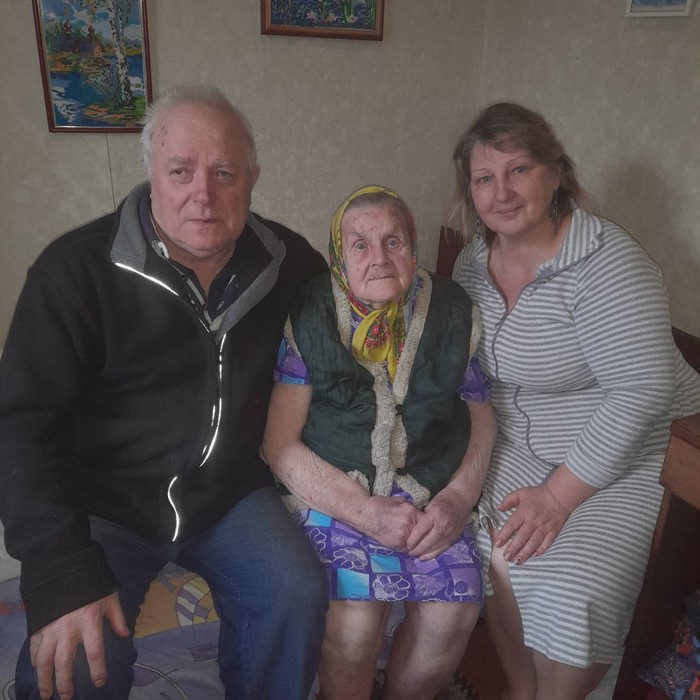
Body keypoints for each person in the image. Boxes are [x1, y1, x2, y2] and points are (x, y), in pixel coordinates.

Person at [0, 85, 329, 700]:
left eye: (224, 172)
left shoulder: (293, 265)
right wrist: (60, 569)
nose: (202, 194)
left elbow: (344, 367)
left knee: (297, 591)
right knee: (73, 666)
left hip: (231, 495)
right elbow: (21, 429)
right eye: (181, 171)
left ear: (252, 178)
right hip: (107, 504)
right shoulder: (73, 272)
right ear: (151, 173)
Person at [450, 102, 700, 700]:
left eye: (519, 170)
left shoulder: (607, 262)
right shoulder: (472, 262)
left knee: (571, 587)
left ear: (557, 173)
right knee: (489, 546)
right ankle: (521, 686)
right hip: (518, 435)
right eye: (484, 178)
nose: (502, 192)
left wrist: (558, 498)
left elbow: (643, 391)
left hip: (626, 445)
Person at [261, 185, 497, 700]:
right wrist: (365, 511)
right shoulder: (312, 310)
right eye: (360, 244)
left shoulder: (452, 309)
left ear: (413, 248)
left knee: (452, 613)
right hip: (334, 493)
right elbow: (279, 445)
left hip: (430, 493)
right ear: (338, 257)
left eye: (394, 241)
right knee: (354, 625)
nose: (379, 258)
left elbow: (481, 415)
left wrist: (458, 499)